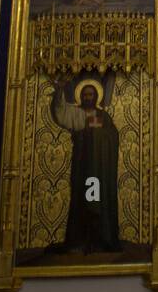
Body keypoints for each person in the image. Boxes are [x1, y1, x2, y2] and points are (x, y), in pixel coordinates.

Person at [51, 78, 121, 254]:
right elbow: (60, 113)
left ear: (96, 96)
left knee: (95, 198)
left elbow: (112, 135)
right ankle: (81, 240)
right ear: (81, 96)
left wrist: (97, 133)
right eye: (85, 94)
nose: (88, 97)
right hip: (83, 167)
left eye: (91, 94)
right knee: (82, 200)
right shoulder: (76, 114)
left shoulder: (103, 116)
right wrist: (59, 92)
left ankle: (99, 239)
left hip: (98, 171)